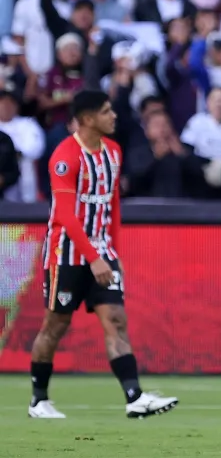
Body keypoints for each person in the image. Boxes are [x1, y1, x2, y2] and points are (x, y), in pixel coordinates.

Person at [29, 91, 179, 420]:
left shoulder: (113, 152)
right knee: (55, 324)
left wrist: (113, 253)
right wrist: (93, 258)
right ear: (86, 119)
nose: (114, 116)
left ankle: (134, 397)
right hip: (65, 253)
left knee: (115, 320)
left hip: (101, 249)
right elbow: (66, 217)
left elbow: (112, 206)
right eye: (106, 111)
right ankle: (38, 399)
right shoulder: (65, 156)